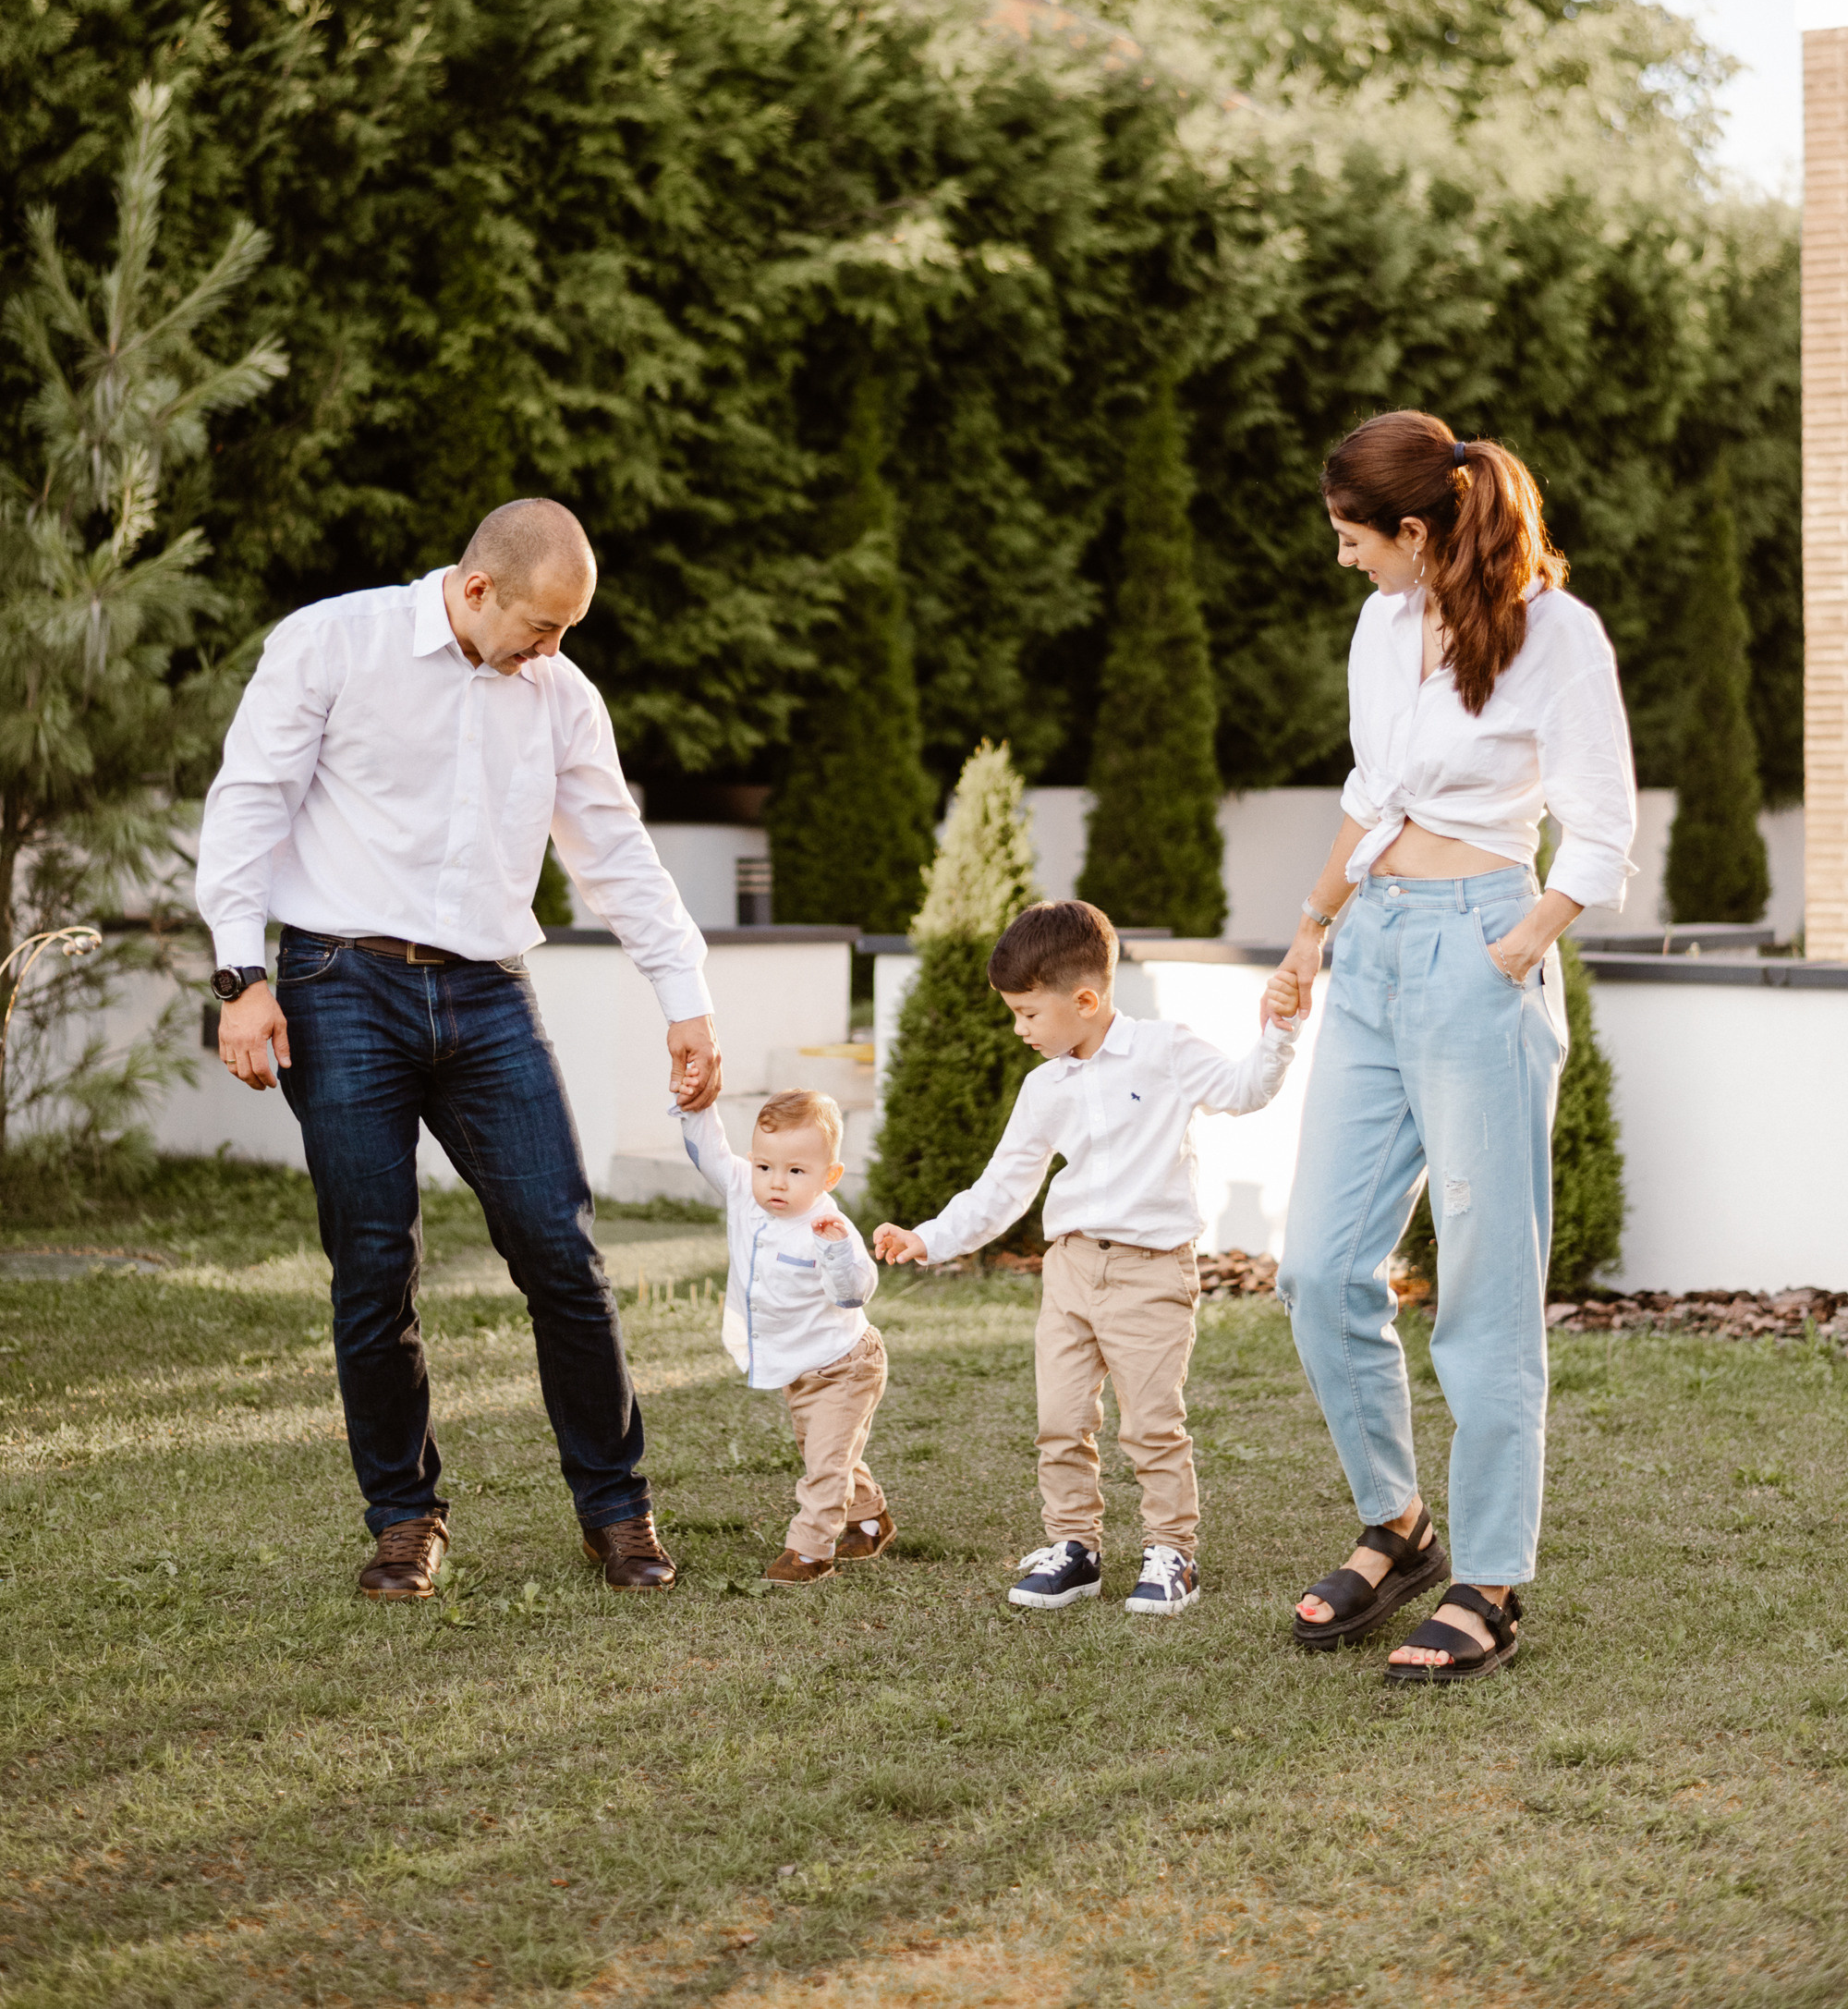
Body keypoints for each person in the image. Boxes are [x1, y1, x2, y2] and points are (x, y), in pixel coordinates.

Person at [194, 498, 723, 1602]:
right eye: (544, 625)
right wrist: (241, 978)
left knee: (561, 1250)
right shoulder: (333, 641)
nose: (555, 649)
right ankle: (404, 1519)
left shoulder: (559, 696)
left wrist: (685, 994)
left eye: (570, 630)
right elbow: (248, 804)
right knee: (375, 1263)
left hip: (487, 993)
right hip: (340, 982)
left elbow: (614, 851)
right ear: (477, 589)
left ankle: (617, 1512)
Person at [1271, 411, 1636, 1682]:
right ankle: (1400, 1525)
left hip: (1481, 953)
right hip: (1371, 947)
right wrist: (1311, 931)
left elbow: (1600, 831)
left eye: (1353, 537)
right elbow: (1372, 796)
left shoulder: (1557, 635)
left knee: (1482, 1292)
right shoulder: (1380, 627)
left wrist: (1515, 948)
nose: (1344, 561)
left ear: (1415, 532)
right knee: (1317, 1266)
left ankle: (1488, 1579)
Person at [876, 899, 1301, 1619]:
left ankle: (1172, 1552)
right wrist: (930, 1237)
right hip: (1071, 1269)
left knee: (1151, 1423)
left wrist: (1279, 1029)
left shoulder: (1166, 1050)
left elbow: (1244, 1090)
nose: (1019, 1029)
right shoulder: (1044, 1087)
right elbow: (1003, 1186)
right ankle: (1074, 1548)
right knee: (1061, 1418)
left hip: (1151, 1271)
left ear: (1085, 999)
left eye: (1028, 1013)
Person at [675, 1084, 891, 1585]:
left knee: (825, 1461)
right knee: (830, 1453)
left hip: (845, 1365)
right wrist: (695, 1104)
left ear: (828, 1175)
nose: (776, 1182)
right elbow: (707, 1148)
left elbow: (855, 1293)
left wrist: (837, 1251)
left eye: (796, 1172)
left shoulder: (828, 1226)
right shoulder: (742, 1191)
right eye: (765, 1167)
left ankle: (810, 1551)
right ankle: (871, 1518)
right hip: (799, 1367)